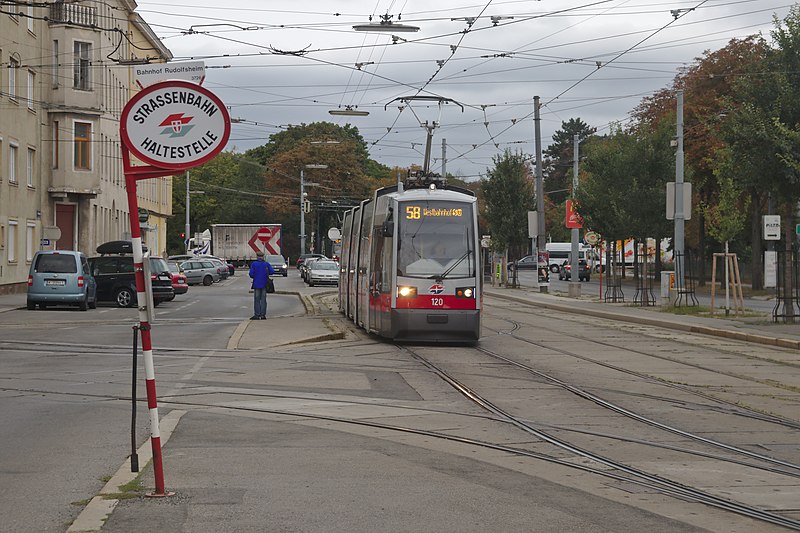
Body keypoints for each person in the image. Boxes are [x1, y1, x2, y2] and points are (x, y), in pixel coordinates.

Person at [248, 251, 275, 320]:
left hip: (256, 284)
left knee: (257, 300)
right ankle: (263, 315)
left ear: (257, 256)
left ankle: (257, 315)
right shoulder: (266, 264)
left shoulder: (254, 264)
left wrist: (256, 276)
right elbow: (272, 271)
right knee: (263, 300)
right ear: (263, 257)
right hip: (265, 284)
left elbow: (251, 274)